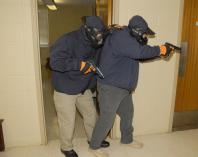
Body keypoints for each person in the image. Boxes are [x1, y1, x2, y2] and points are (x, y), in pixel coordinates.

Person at [89, 15, 173, 157]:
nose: (145, 36)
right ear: (137, 31)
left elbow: (140, 55)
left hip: (123, 87)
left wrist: (160, 54)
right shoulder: (121, 38)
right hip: (110, 87)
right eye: (144, 33)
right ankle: (94, 146)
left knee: (127, 114)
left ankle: (127, 140)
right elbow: (139, 52)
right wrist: (160, 49)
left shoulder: (129, 38)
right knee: (107, 118)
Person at [50, 16, 110, 157]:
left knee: (91, 115)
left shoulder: (97, 39)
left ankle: (93, 140)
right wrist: (80, 65)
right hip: (65, 89)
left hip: (83, 87)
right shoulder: (67, 40)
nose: (100, 39)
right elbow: (55, 62)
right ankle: (66, 147)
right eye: (98, 35)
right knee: (68, 121)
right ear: (87, 30)